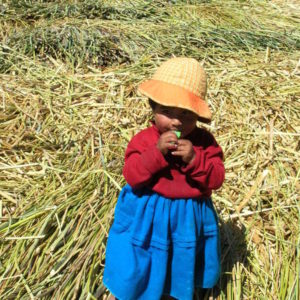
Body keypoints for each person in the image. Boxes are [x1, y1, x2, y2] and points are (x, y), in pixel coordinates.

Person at [103, 57, 225, 300]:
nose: (177, 121)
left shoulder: (204, 143)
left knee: (178, 262)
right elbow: (132, 175)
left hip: (187, 219)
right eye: (167, 112)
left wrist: (194, 159)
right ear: (153, 107)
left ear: (197, 116)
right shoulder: (144, 140)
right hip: (147, 215)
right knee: (142, 260)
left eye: (186, 114)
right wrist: (155, 153)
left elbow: (216, 178)